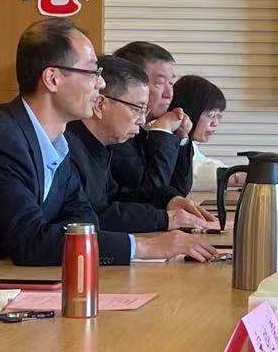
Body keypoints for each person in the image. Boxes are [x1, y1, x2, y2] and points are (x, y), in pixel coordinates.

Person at [0, 21, 217, 266]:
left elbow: (85, 220)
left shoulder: (56, 141)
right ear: (53, 79)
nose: (101, 84)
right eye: (92, 72)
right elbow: (31, 242)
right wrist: (143, 247)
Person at [65, 56, 217, 237]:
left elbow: (118, 197)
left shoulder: (98, 146)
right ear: (100, 105)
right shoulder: (68, 148)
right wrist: (166, 219)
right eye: (137, 109)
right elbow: (91, 217)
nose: (142, 120)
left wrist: (168, 200)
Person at [110, 41, 191, 200]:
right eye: (159, 83)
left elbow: (179, 191)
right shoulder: (116, 133)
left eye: (171, 83)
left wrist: (181, 137)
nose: (169, 94)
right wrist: (163, 131)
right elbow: (151, 196)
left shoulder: (145, 128)